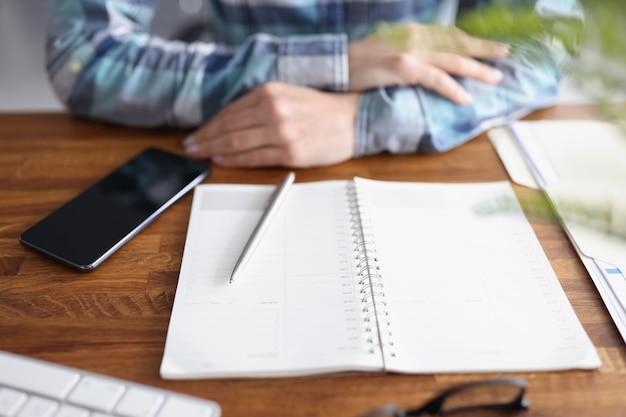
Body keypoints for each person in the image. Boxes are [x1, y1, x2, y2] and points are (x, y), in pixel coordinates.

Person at [46, 0, 582, 168]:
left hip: (422, 143)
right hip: (240, 134)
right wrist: (337, 63)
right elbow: (81, 54)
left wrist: (364, 120)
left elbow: (548, 45)